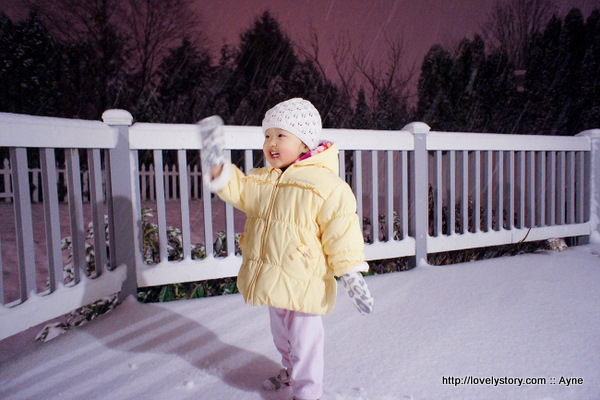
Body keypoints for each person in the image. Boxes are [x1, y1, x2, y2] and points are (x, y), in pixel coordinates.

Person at [199, 98, 373, 400]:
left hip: (305, 282)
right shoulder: (264, 180)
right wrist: (218, 164)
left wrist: (351, 274)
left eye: (281, 135)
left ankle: (307, 394)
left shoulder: (326, 185)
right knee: (283, 338)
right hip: (274, 279)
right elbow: (237, 187)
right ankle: (291, 374)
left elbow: (342, 231)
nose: (271, 143)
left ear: (304, 143)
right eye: (267, 135)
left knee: (305, 343)